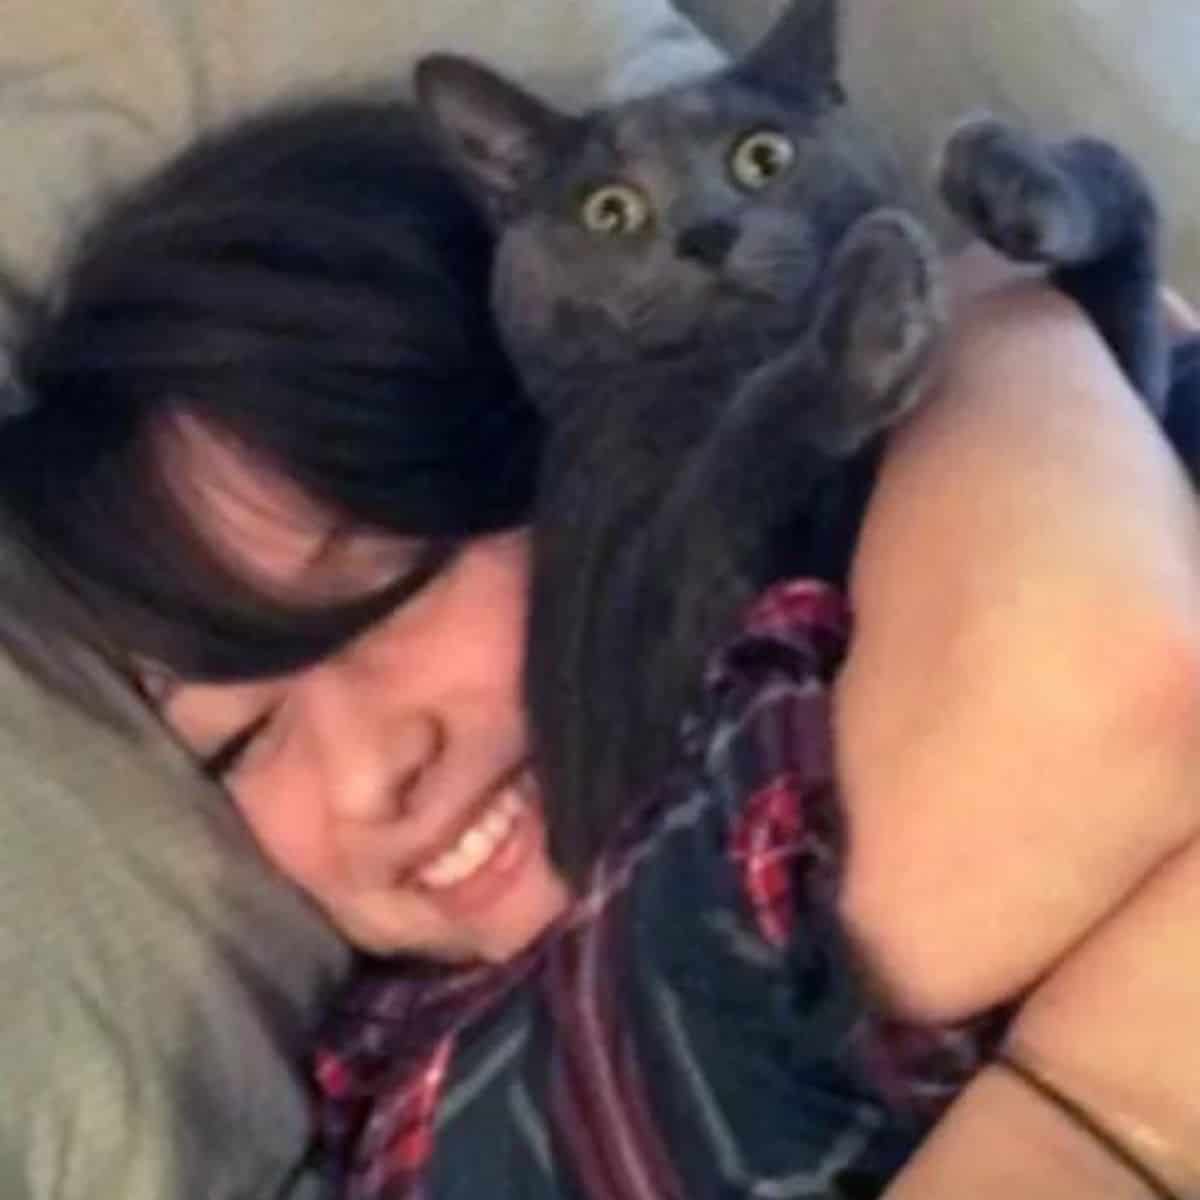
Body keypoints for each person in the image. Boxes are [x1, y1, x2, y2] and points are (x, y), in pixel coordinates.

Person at [0, 94, 1198, 1197]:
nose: (373, 771)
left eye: (392, 593)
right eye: (242, 743)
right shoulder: (436, 1096)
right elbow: (1100, 693)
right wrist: (990, 313)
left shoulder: (846, 549)